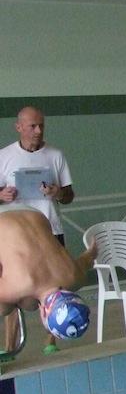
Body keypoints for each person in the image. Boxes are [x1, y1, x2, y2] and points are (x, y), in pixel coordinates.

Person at [0, 106, 76, 355]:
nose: (38, 131)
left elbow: (69, 195)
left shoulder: (55, 155)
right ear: (19, 127)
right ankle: (10, 345)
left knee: (54, 287)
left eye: (41, 125)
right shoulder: (4, 156)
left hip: (50, 229)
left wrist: (57, 192)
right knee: (14, 288)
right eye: (32, 126)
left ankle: (51, 340)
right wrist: (2, 195)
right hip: (17, 237)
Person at [0, 207, 95, 357]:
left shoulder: (75, 277)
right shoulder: (18, 287)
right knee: (4, 308)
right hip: (3, 219)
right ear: (44, 312)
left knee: (29, 302)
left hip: (35, 213)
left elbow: (90, 256)